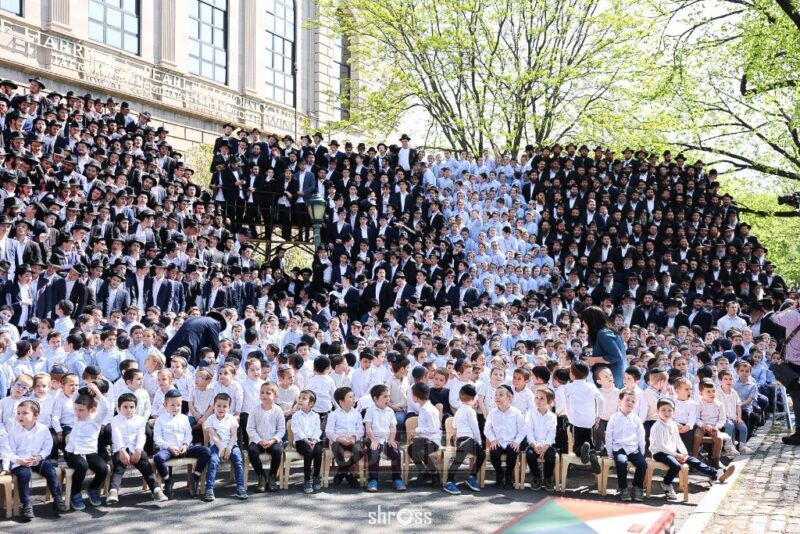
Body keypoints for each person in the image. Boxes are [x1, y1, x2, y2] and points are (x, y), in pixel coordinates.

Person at [650, 398, 734, 500]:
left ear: (673, 412)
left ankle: (716, 473)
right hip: (659, 453)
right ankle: (666, 484)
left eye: (669, 410)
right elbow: (661, 446)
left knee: (692, 459)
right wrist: (677, 455)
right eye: (663, 410)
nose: (666, 413)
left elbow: (678, 441)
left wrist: (684, 453)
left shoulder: (673, 424)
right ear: (657, 411)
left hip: (671, 453)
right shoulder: (657, 426)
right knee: (676, 466)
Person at [8, 399, 68, 520]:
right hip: (20, 462)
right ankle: (26, 505)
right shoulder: (13, 431)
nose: (20, 416)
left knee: (50, 470)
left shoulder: (43, 429)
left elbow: (47, 446)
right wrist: (19, 460)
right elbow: (9, 451)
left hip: (37, 459)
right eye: (18, 413)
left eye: (25, 413)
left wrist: (39, 457)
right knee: (24, 474)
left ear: (36, 416)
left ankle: (57, 499)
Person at [108, 392, 167, 504]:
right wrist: (122, 451)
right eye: (125, 407)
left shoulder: (140, 420)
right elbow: (117, 436)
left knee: (146, 465)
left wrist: (139, 450)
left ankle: (156, 490)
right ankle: (113, 492)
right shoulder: (115, 420)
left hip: (136, 449)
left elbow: (141, 436)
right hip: (121, 449)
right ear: (119, 408)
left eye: (132, 407)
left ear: (135, 408)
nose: (129, 410)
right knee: (119, 467)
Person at [152, 389, 210, 499]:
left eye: (178, 405)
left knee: (206, 451)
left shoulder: (184, 418)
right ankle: (168, 480)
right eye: (172, 405)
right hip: (168, 450)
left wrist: (185, 444)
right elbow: (157, 438)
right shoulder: (160, 420)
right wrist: (169, 447)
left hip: (184, 449)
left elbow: (188, 434)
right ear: (165, 405)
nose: (176, 408)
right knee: (158, 458)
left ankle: (195, 477)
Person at [64, 382, 110, 510]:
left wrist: (96, 391)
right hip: (73, 453)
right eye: (76, 409)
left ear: (92, 410)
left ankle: (93, 488)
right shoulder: (76, 417)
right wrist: (86, 387)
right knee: (82, 466)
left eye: (81, 410)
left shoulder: (96, 419)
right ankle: (75, 492)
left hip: (90, 452)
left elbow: (106, 407)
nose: (77, 413)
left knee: (103, 468)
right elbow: (74, 397)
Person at [203, 392, 248, 501]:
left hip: (231, 445)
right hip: (216, 445)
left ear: (229, 407)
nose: (221, 409)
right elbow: (214, 436)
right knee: (213, 460)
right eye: (218, 406)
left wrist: (229, 448)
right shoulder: (210, 419)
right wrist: (221, 448)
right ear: (214, 406)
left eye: (224, 406)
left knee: (238, 459)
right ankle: (209, 488)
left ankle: (240, 487)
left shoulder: (231, 419)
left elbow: (234, 435)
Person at [605, 390, 647, 502]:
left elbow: (641, 437)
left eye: (633, 401)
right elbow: (609, 436)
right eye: (627, 400)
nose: (630, 403)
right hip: (618, 448)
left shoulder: (636, 419)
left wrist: (642, 453)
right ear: (620, 402)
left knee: (642, 464)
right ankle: (623, 488)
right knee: (622, 462)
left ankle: (637, 487)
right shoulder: (614, 417)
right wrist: (610, 453)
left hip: (633, 448)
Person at [364, 383, 406, 492]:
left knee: (396, 452)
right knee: (374, 453)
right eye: (385, 396)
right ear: (375, 398)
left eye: (388, 396)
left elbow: (393, 427)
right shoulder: (370, 410)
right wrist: (373, 440)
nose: (388, 399)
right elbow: (368, 428)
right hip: (374, 439)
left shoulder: (390, 411)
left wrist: (391, 439)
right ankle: (373, 480)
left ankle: (397, 479)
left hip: (387, 439)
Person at [564, 361, 604, 474]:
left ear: (572, 374)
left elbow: (567, 405)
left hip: (576, 421)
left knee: (577, 446)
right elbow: (602, 401)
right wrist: (598, 416)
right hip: (590, 421)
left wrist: (569, 418)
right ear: (587, 374)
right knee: (589, 440)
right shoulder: (591, 386)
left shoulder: (568, 387)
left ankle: (583, 449)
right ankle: (592, 453)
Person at [444, 383, 484, 495]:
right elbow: (475, 428)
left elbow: (454, 425)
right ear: (474, 398)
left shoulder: (459, 410)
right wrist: (479, 442)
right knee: (479, 455)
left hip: (461, 440)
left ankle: (470, 478)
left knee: (467, 456)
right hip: (468, 440)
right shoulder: (470, 411)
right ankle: (449, 481)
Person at [246, 381, 285, 492]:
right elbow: (250, 428)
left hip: (273, 441)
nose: (264, 395)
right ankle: (261, 476)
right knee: (252, 451)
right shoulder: (254, 410)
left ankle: (272, 476)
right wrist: (259, 440)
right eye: (262, 392)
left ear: (275, 396)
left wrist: (273, 440)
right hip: (258, 441)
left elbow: (281, 429)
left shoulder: (278, 410)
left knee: (277, 451)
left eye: (268, 393)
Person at [485, 384, 526, 488]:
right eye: (496, 395)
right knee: (494, 453)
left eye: (501, 395)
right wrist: (493, 440)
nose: (497, 397)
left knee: (512, 453)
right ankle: (499, 473)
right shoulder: (492, 413)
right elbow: (487, 429)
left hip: (511, 442)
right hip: (498, 442)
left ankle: (508, 474)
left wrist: (516, 442)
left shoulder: (516, 413)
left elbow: (523, 429)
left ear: (509, 398)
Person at [326, 386, 364, 488]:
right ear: (341, 401)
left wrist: (354, 438)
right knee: (338, 451)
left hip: (353, 441)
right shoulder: (334, 414)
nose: (354, 399)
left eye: (353, 396)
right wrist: (339, 439)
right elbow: (329, 431)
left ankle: (341, 472)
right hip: (338, 441)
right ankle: (349, 475)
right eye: (350, 397)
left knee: (360, 451)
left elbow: (361, 430)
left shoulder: (357, 414)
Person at [581, 306, 626, 388]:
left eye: (584, 319)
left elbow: (616, 356)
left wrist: (594, 360)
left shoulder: (603, 334)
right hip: (609, 381)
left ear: (591, 320)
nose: (583, 322)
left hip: (612, 383)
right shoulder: (604, 332)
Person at [408, 382, 442, 487]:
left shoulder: (429, 410)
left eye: (412, 394)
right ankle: (423, 473)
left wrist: (416, 430)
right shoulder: (422, 408)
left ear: (417, 396)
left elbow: (433, 428)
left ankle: (435, 475)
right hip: (424, 439)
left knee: (422, 451)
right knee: (411, 449)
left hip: (433, 441)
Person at [524, 388, 558, 491]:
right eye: (536, 398)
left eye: (542, 398)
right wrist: (534, 445)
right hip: (533, 444)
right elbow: (529, 431)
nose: (538, 400)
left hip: (547, 445)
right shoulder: (530, 413)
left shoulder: (552, 417)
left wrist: (546, 446)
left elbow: (551, 434)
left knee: (551, 456)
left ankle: (548, 477)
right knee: (530, 454)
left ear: (549, 402)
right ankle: (536, 476)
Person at [291, 389, 323, 494]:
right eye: (299, 398)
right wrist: (306, 440)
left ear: (311, 403)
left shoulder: (316, 416)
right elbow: (297, 430)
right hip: (301, 441)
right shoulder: (296, 415)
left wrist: (314, 440)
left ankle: (316, 476)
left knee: (318, 452)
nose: (300, 400)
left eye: (304, 398)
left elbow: (318, 430)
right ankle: (307, 479)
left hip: (314, 440)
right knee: (308, 452)